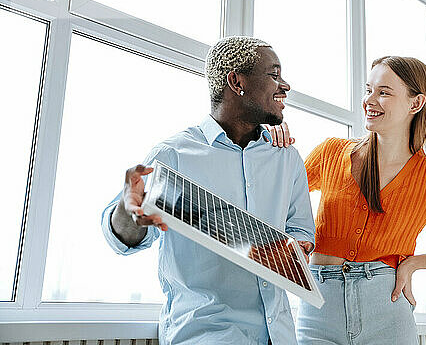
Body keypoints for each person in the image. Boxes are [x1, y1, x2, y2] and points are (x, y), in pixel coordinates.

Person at [268, 56, 426, 344]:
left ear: (415, 104)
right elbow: (275, 199)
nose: (369, 100)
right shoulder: (330, 153)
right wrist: (271, 147)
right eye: (369, 90)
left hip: (387, 313)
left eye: (384, 92)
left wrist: (413, 263)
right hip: (319, 311)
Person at [101, 36, 315, 345]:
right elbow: (126, 238)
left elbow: (301, 230)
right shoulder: (173, 155)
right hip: (204, 335)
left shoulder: (285, 157)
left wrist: (295, 251)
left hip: (278, 335)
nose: (285, 85)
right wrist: (126, 209)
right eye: (274, 74)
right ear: (236, 81)